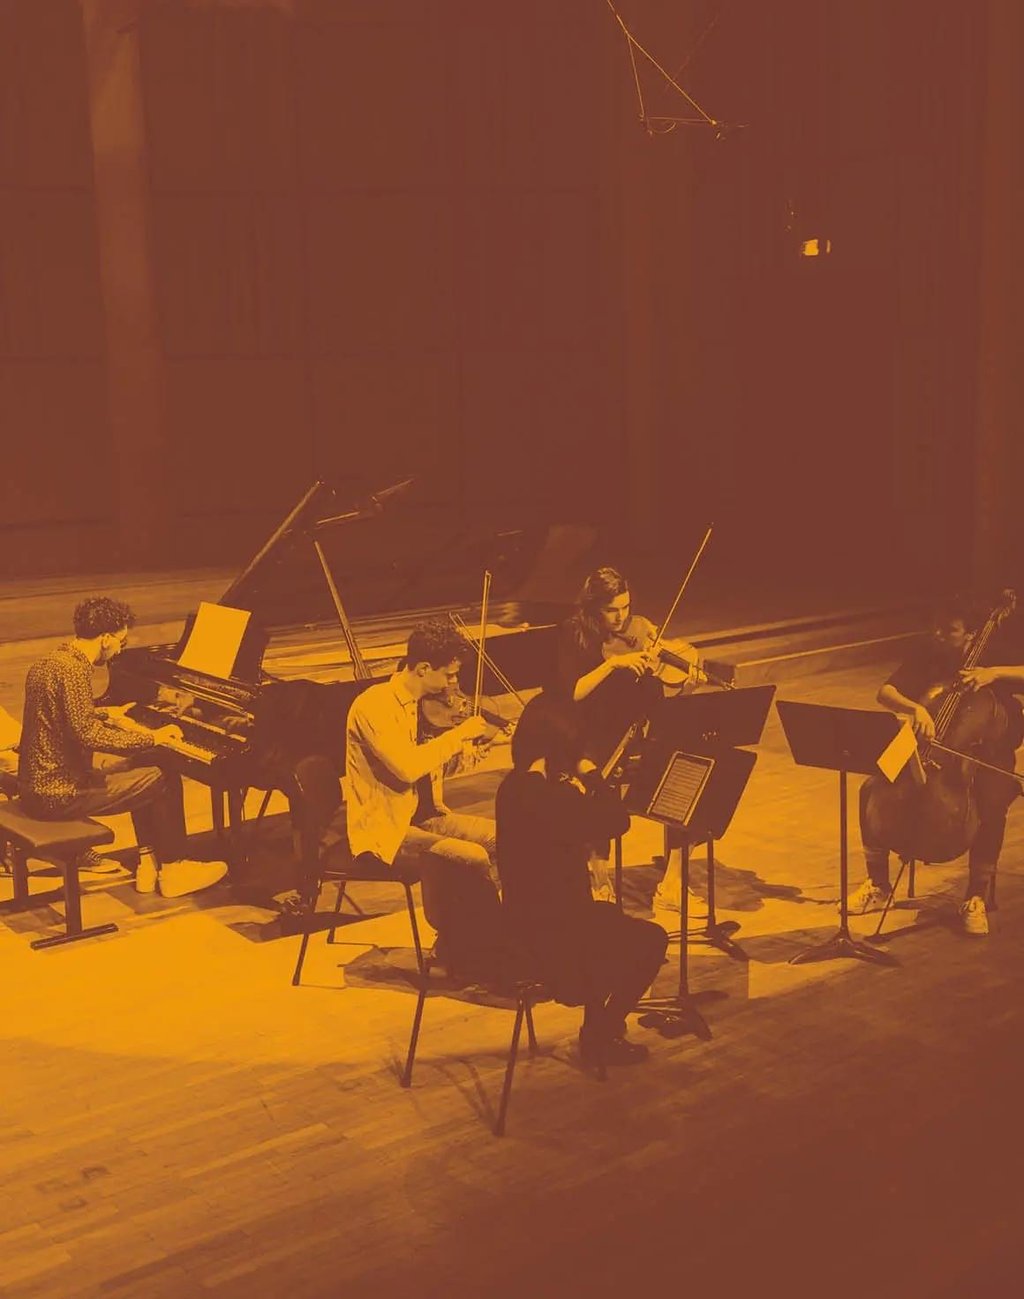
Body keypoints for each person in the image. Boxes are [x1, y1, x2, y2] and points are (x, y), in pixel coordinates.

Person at [495, 693, 668, 1065]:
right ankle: (598, 1035)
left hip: (521, 924)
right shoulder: (553, 799)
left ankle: (598, 1034)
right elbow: (617, 820)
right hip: (556, 942)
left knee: (603, 914)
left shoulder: (511, 788)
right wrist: (591, 774)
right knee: (652, 940)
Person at [18, 597, 227, 898]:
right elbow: (88, 734)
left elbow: (66, 717)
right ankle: (174, 869)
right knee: (162, 775)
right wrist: (152, 737)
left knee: (138, 767)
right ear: (105, 638)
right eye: (120, 641)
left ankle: (147, 864)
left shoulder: (49, 662)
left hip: (37, 786)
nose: (120, 649)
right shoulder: (76, 671)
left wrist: (107, 714)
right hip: (59, 794)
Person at [851, 595, 1024, 935]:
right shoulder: (929, 652)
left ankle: (975, 896)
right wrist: (916, 709)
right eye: (938, 628)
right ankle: (879, 885)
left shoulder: (994, 654)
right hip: (927, 746)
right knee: (870, 788)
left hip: (984, 754)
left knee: (992, 802)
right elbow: (885, 691)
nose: (940, 634)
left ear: (971, 634)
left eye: (950, 630)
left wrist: (995, 674)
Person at [342, 619, 499, 972]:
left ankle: (466, 942)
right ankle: (477, 947)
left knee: (503, 839)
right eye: (449, 675)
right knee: (472, 857)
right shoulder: (374, 707)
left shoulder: (417, 703)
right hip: (385, 831)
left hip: (421, 815)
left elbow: (425, 772)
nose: (453, 685)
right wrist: (456, 737)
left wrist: (462, 755)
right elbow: (406, 769)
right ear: (424, 668)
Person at [554, 566, 707, 916]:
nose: (622, 617)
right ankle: (599, 879)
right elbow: (571, 693)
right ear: (593, 607)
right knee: (595, 791)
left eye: (626, 606)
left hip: (641, 725)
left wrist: (686, 681)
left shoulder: (640, 629)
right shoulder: (573, 635)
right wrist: (614, 665)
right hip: (594, 731)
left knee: (690, 780)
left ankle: (672, 882)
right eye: (612, 610)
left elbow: (662, 686)